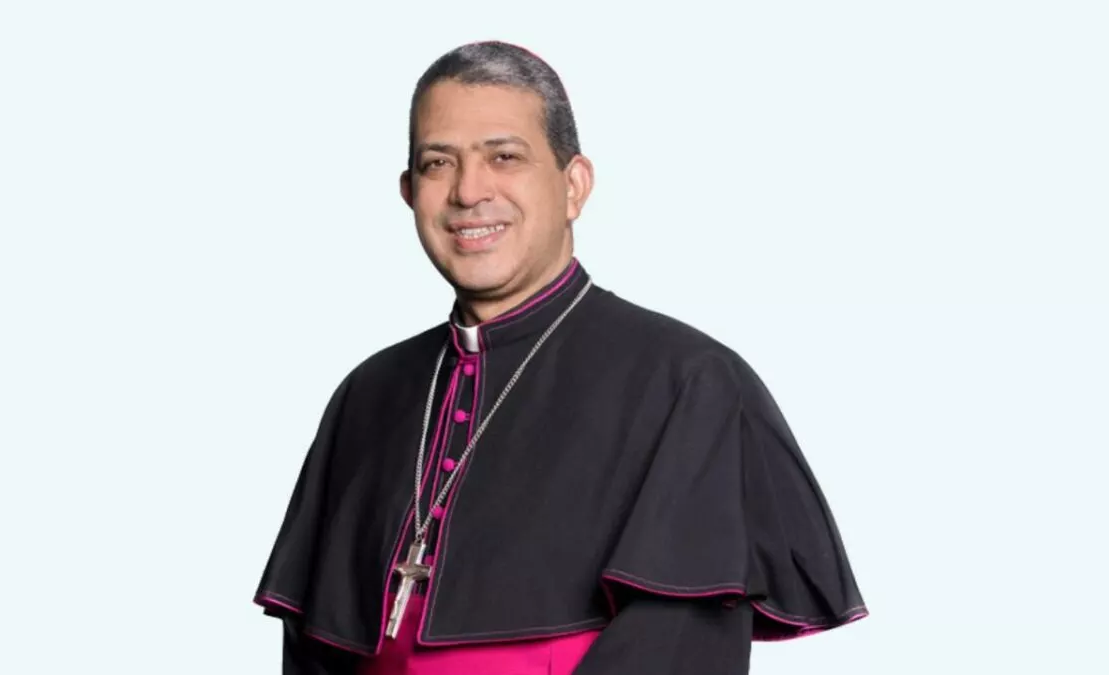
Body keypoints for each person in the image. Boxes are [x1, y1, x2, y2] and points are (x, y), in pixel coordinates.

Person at [253, 40, 868, 674]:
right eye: (439, 163)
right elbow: (314, 651)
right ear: (410, 192)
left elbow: (671, 654)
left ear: (574, 186)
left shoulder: (689, 383)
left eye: (504, 157)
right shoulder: (367, 394)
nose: (469, 191)